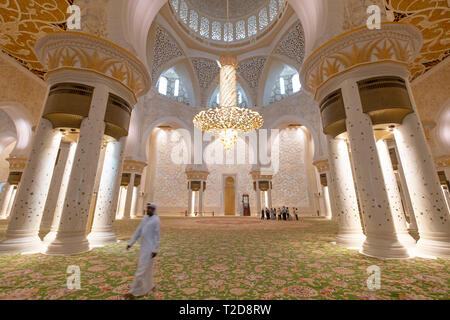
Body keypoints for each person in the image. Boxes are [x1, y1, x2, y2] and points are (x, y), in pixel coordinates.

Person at [124, 203, 161, 299]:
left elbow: (157, 237)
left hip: (150, 249)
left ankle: (133, 292)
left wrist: (155, 249)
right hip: (143, 248)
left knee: (141, 269)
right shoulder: (144, 219)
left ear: (154, 210)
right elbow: (138, 231)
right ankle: (151, 285)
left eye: (150, 209)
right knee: (147, 268)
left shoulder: (156, 220)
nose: (148, 210)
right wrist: (130, 243)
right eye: (148, 208)